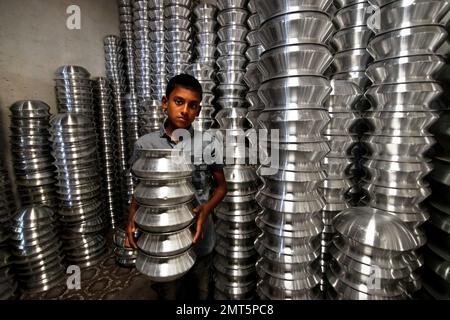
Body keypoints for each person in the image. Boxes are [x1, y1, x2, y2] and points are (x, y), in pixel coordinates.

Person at [125, 74, 227, 300]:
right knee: (169, 292)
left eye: (192, 105)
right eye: (178, 101)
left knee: (200, 291)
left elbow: (221, 187)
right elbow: (141, 190)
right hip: (163, 239)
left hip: (198, 234)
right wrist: (131, 220)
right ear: (165, 102)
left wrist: (205, 211)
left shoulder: (209, 143)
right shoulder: (145, 144)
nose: (185, 110)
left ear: (199, 111)